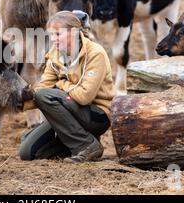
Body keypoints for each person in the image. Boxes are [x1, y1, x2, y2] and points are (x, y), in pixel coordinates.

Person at [19, 10, 115, 163]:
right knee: (27, 151)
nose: (53, 39)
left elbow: (84, 97)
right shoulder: (55, 56)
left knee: (45, 96)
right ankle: (78, 142)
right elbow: (41, 87)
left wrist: (60, 83)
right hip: (69, 110)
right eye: (51, 35)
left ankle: (87, 145)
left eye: (58, 35)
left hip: (97, 115)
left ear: (74, 32)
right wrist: (20, 102)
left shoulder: (96, 53)